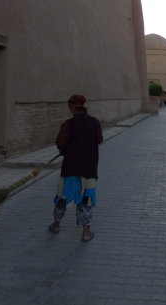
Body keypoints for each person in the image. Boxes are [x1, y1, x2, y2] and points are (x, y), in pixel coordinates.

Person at [48, 94, 103, 242]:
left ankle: (56, 224)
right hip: (88, 169)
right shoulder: (95, 122)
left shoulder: (68, 124)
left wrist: (65, 150)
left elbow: (61, 143)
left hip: (71, 167)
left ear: (72, 107)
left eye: (69, 108)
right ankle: (86, 233)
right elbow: (99, 139)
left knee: (62, 196)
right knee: (86, 200)